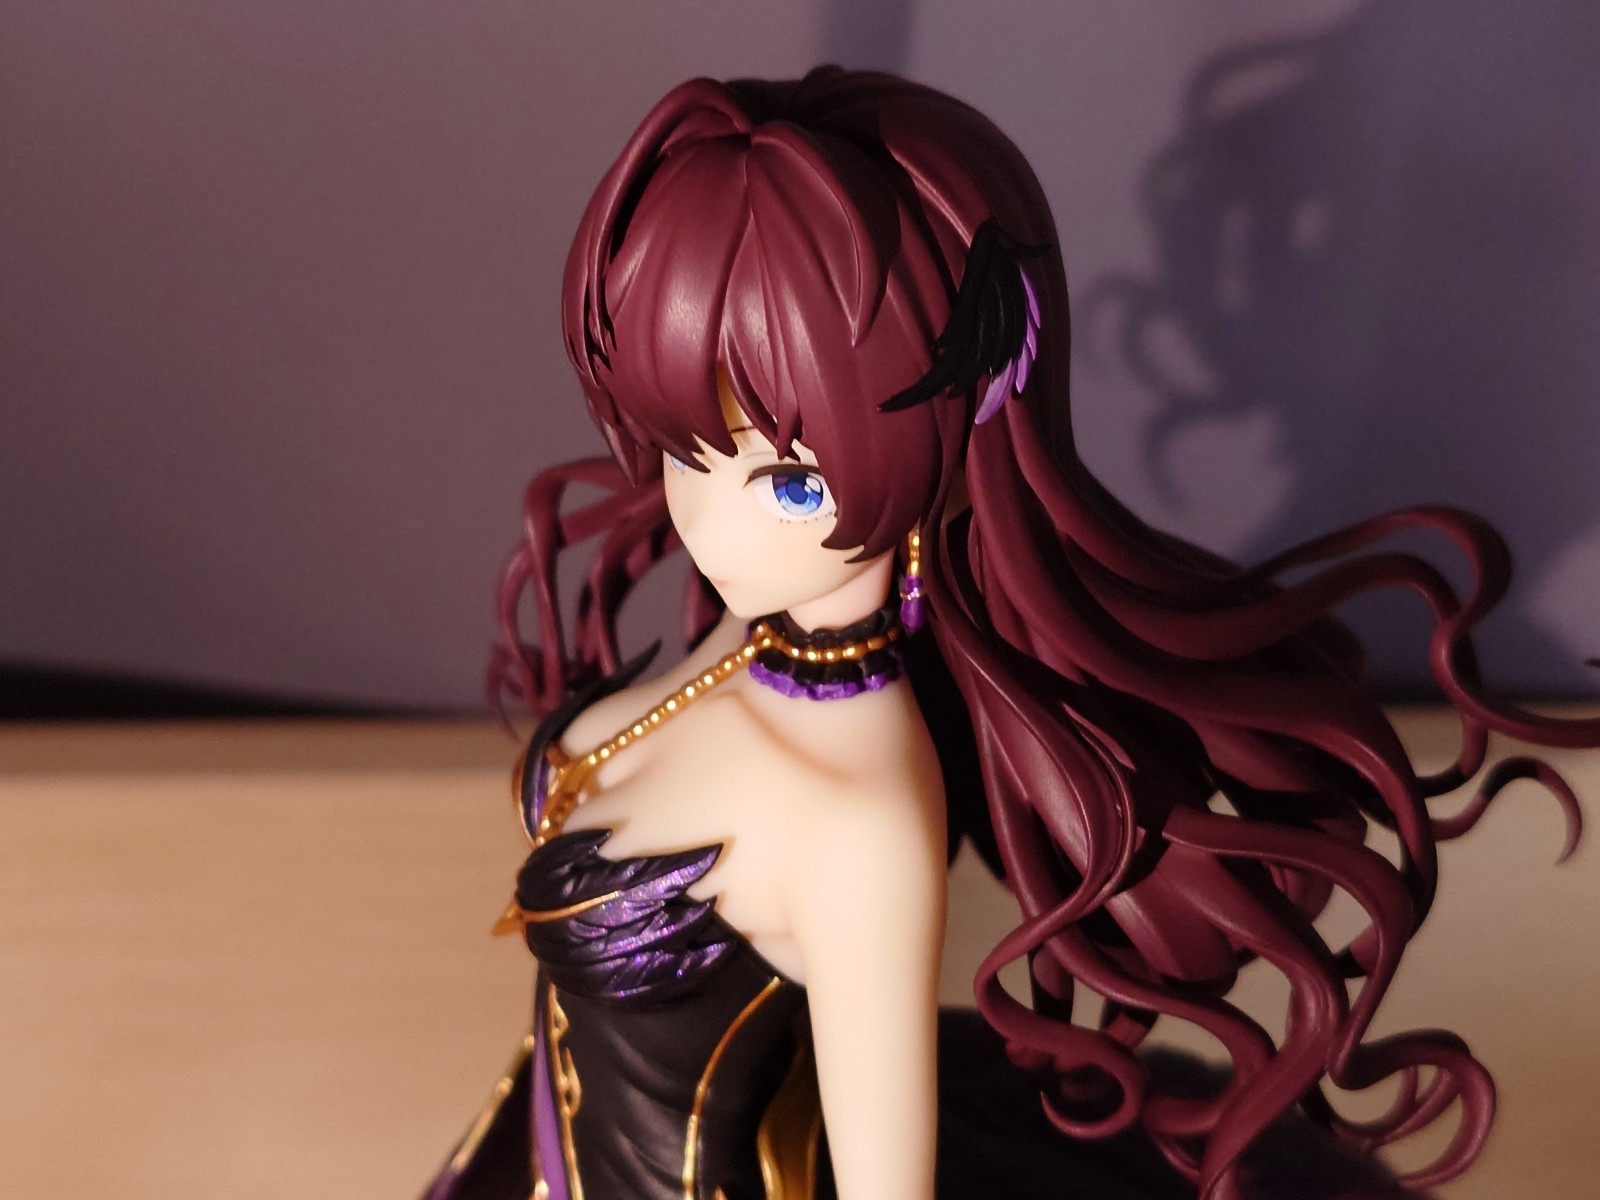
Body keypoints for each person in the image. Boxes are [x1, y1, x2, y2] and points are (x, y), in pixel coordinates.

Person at [422, 67, 1597, 1200]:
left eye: (788, 482)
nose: (711, 524)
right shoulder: (747, 627)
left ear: (950, 440)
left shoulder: (861, 823)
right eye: (686, 450)